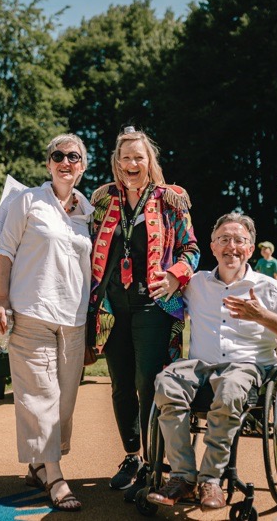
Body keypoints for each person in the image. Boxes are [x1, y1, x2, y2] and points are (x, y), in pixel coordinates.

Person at [148, 212, 277, 511]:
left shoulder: (270, 289)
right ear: (212, 247)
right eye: (224, 239)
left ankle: (211, 479)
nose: (231, 246)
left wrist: (262, 316)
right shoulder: (196, 284)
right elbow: (166, 295)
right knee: (166, 382)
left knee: (231, 388)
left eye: (239, 240)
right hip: (200, 367)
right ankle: (184, 477)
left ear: (250, 249)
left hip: (247, 367)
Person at [89, 126, 200, 502]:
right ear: (117, 164)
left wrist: (174, 276)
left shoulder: (172, 199)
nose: (132, 163)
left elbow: (192, 249)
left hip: (153, 305)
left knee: (147, 383)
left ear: (149, 160)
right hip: (113, 307)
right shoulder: (104, 200)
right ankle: (133, 457)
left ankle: (156, 463)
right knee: (120, 385)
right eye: (126, 158)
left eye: (139, 157)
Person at [0, 133, 94, 512]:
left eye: (74, 156)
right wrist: (1, 301)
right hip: (32, 312)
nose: (66, 162)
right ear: (48, 163)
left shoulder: (88, 210)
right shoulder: (27, 201)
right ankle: (55, 476)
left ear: (83, 166)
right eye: (58, 156)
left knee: (65, 402)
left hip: (73, 318)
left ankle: (38, 462)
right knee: (41, 398)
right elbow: (5, 251)